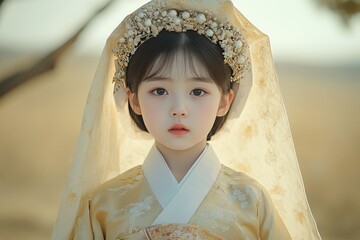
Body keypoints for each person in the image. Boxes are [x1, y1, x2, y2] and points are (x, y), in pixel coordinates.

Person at [52, 0, 322, 239]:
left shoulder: (252, 202)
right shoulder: (103, 206)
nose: (179, 109)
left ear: (225, 101)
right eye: (159, 91)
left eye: (197, 91)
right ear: (133, 99)